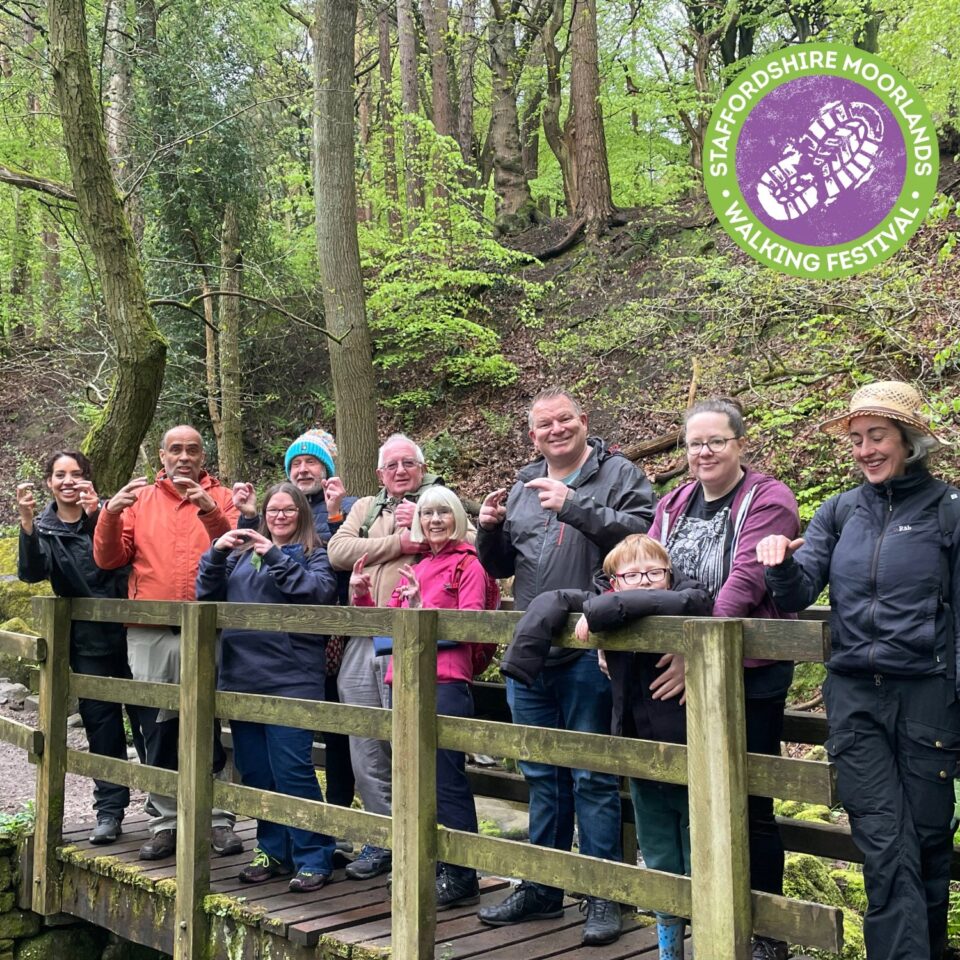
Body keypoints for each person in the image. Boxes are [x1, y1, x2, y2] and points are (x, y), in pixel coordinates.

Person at [757, 381, 960, 960]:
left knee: (925, 841)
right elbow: (800, 587)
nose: (866, 449)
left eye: (878, 437)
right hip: (854, 700)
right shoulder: (839, 511)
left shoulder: (949, 512)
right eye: (857, 439)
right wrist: (779, 563)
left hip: (928, 696)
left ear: (910, 441)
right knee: (883, 840)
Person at [476, 387, 656, 947]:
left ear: (583, 421)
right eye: (542, 425)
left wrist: (573, 504)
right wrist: (487, 529)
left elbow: (643, 540)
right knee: (541, 775)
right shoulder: (523, 483)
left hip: (591, 644)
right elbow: (504, 563)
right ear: (532, 434)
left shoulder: (619, 472)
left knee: (593, 775)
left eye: (564, 420)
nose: (554, 430)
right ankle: (543, 887)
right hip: (534, 646)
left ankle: (602, 893)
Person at [501, 534, 712, 960]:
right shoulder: (612, 605)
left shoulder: (685, 598)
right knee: (658, 856)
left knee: (700, 856)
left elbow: (692, 600)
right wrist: (519, 663)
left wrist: (599, 610)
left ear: (669, 574)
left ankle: (709, 943)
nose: (646, 582)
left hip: (692, 757)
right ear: (613, 579)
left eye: (654, 572)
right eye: (632, 574)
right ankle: (670, 950)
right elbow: (555, 597)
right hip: (638, 758)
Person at [650, 398, 800, 960]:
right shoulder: (674, 502)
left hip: (745, 672)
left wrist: (699, 652)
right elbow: (646, 564)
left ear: (740, 443)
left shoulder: (768, 498)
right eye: (694, 443)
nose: (704, 452)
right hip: (678, 669)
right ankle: (702, 914)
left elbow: (745, 581)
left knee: (750, 802)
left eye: (716, 441)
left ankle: (766, 932)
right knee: (688, 796)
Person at [93, 425, 242, 862]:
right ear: (161, 455)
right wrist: (109, 515)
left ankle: (217, 818)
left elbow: (234, 546)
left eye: (191, 450)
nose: (183, 457)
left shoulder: (223, 496)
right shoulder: (140, 499)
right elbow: (108, 559)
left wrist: (208, 508)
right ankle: (165, 821)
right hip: (151, 628)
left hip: (209, 626)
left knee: (210, 721)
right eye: (174, 449)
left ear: (202, 456)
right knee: (157, 725)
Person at [349, 486, 496, 909]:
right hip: (403, 680)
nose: (434, 520)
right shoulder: (416, 567)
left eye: (442, 513)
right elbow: (386, 635)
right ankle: (429, 863)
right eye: (427, 513)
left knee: (446, 779)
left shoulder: (469, 565)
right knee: (413, 778)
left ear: (456, 518)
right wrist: (361, 595)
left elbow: (470, 626)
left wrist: (421, 614)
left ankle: (463, 873)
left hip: (445, 682)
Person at [196, 482, 339, 892]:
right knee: (257, 773)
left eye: (288, 510)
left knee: (292, 770)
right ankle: (273, 850)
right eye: (273, 510)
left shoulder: (316, 554)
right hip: (242, 677)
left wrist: (275, 555)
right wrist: (218, 552)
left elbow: (317, 595)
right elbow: (205, 593)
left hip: (291, 678)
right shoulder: (242, 555)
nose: (279, 516)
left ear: (301, 514)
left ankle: (314, 854)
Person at [327, 433, 457, 880]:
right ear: (380, 473)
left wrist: (422, 525)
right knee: (365, 741)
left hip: (414, 641)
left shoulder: (441, 500)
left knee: (409, 739)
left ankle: (424, 839)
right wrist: (401, 541)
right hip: (365, 636)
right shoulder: (364, 508)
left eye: (409, 463)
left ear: (422, 467)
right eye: (392, 466)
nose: (400, 471)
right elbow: (338, 551)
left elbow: (467, 544)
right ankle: (383, 838)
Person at [16, 451, 139, 845]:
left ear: (88, 478)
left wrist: (97, 516)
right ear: (49, 482)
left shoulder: (110, 515)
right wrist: (27, 523)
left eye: (76, 474)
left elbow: (125, 562)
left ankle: (164, 810)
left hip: (134, 632)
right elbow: (32, 572)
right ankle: (109, 810)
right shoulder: (46, 528)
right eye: (59, 475)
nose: (68, 481)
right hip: (88, 643)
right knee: (102, 727)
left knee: (153, 722)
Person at [234, 428, 357, 809]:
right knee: (285, 747)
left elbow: (342, 564)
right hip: (279, 648)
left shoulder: (347, 506)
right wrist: (250, 517)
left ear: (327, 468)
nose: (303, 470)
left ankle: (335, 815)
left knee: (338, 733)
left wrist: (336, 515)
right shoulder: (275, 512)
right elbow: (252, 562)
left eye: (312, 462)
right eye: (296, 463)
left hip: (334, 634)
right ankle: (287, 829)